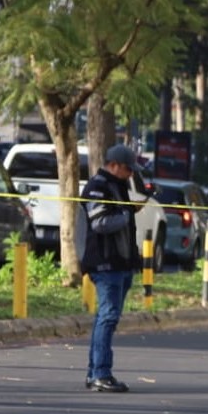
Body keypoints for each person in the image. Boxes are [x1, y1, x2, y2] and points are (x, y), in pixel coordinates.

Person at [79, 144, 144, 393]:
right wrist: (127, 214)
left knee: (105, 318)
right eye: (128, 169)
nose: (130, 175)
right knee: (108, 317)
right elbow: (100, 222)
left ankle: (94, 371)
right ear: (113, 164)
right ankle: (101, 374)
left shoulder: (118, 186)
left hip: (121, 262)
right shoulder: (98, 186)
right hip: (105, 263)